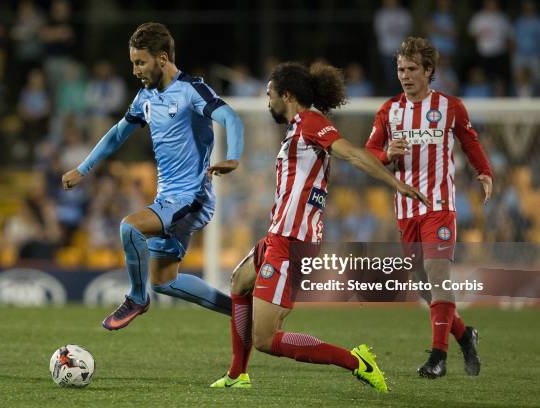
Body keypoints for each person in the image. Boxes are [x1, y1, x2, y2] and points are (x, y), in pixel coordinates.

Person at [210, 62, 426, 392]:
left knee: (265, 339)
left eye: (270, 95)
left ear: (286, 95)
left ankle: (357, 362)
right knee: (239, 283)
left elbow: (351, 154)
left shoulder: (311, 121)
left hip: (293, 240)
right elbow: (341, 156)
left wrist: (393, 182)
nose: (267, 102)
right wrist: (383, 156)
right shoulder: (299, 128)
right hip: (278, 234)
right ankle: (238, 374)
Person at [62, 22, 244, 330]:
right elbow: (117, 134)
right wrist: (83, 168)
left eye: (140, 62)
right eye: (133, 62)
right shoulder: (145, 97)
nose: (135, 70)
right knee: (164, 281)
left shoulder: (191, 91)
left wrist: (233, 157)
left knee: (130, 228)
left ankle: (136, 298)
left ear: (162, 58)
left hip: (191, 198)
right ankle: (242, 312)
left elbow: (230, 117)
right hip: (168, 199)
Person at [365, 37, 493, 379]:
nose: (404, 76)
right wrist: (386, 154)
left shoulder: (450, 107)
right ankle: (465, 335)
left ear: (428, 71)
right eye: (400, 69)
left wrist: (484, 172)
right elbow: (369, 154)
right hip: (406, 209)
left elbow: (470, 141)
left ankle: (438, 356)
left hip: (440, 206)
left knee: (438, 273)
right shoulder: (388, 111)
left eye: (411, 69)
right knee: (423, 283)